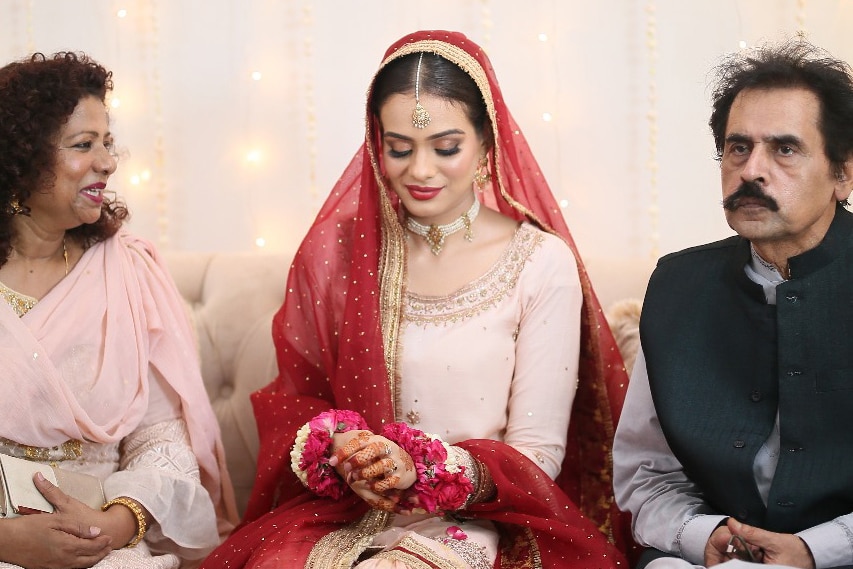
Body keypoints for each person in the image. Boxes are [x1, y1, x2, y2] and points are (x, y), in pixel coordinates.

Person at [202, 30, 633, 568]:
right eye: (399, 149)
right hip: (350, 515)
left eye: (446, 147)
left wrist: (423, 470)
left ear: (486, 146)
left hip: (485, 518)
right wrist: (344, 451)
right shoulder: (341, 254)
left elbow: (537, 455)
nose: (420, 171)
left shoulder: (541, 262)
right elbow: (299, 399)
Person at [612, 38, 853, 569]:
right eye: (738, 147)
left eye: (784, 149)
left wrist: (815, 550)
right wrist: (705, 535)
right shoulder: (678, 285)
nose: (751, 171)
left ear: (843, 173)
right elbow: (644, 471)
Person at [0, 52, 238, 568]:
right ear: (20, 158)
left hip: (101, 545)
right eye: (83, 145)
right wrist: (9, 541)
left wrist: (119, 520)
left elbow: (160, 433)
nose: (108, 162)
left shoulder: (126, 271)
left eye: (107, 143)